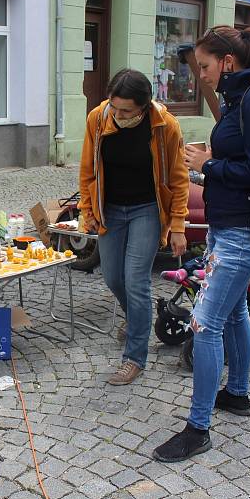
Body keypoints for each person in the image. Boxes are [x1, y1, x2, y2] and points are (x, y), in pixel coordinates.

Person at [152, 26, 250, 462]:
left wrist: (210, 164)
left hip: (243, 234)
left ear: (228, 62)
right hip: (227, 225)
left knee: (205, 323)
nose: (202, 76)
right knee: (233, 314)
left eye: (205, 66)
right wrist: (205, 166)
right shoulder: (239, 98)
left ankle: (198, 429)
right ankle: (237, 394)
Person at [78, 69, 189, 386]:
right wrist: (89, 210)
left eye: (127, 110)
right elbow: (87, 171)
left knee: (136, 280)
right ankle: (138, 316)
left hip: (147, 209)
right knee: (113, 276)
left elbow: (179, 180)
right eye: (115, 107)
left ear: (143, 107)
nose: (118, 114)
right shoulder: (99, 119)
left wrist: (178, 224)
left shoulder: (165, 126)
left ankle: (135, 357)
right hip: (110, 209)